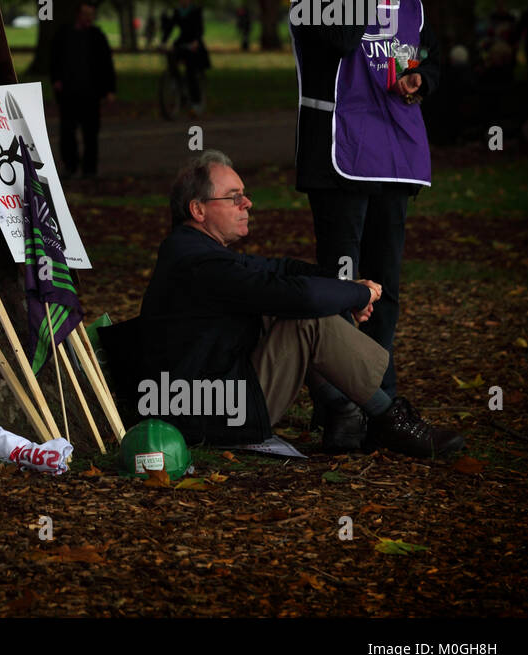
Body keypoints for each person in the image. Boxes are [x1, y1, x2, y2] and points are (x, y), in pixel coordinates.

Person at [133, 151, 462, 455]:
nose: (247, 203)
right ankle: (386, 420)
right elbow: (301, 297)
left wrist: (343, 287)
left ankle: (344, 416)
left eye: (244, 195)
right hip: (206, 411)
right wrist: (359, 295)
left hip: (206, 400)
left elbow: (281, 268)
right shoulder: (201, 264)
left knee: (296, 307)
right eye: (234, 197)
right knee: (307, 319)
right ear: (198, 209)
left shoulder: (193, 251)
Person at [290, 0, 439, 442]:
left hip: (395, 158)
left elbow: (427, 53)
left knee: (387, 289)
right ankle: (338, 405)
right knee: (344, 287)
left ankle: (382, 406)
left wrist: (420, 78)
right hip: (339, 161)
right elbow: (345, 37)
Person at [50, 0, 116, 179]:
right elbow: (54, 58)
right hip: (69, 92)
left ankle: (89, 168)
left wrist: (110, 89)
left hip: (91, 93)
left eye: (91, 15)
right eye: (85, 14)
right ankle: (70, 165)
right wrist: (56, 80)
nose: (88, 18)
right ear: (78, 14)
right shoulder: (64, 34)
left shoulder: (97, 36)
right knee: (68, 131)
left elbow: (106, 64)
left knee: (91, 132)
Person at [164, 0, 210, 114]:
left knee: (191, 73)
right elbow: (170, 27)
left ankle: (196, 102)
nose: (181, 1)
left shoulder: (196, 11)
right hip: (182, 40)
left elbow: (200, 28)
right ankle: (175, 82)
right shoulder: (178, 12)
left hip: (194, 43)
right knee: (171, 57)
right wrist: (163, 41)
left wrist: (196, 41)